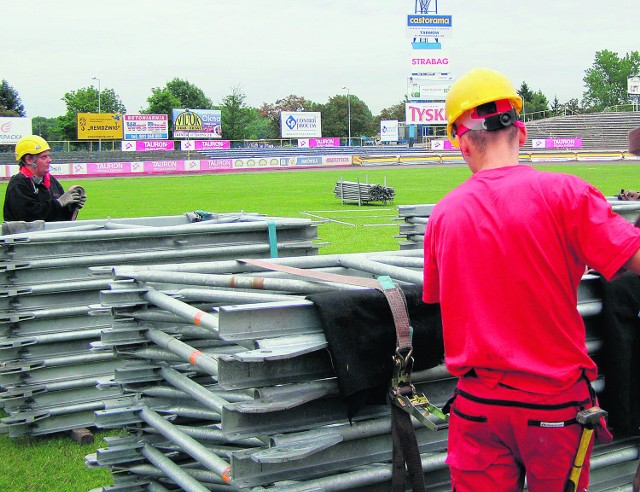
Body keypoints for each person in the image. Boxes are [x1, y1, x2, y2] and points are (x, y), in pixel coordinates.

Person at [421, 67, 640, 492]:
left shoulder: (443, 214)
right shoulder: (568, 194)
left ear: (462, 143)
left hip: (478, 410)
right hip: (554, 408)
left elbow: (438, 298)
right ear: (520, 133)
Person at [3, 135, 86, 223]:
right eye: (44, 157)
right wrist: (59, 203)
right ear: (29, 160)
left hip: (51, 235)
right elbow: (28, 217)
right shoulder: (18, 184)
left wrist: (71, 206)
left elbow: (60, 218)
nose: (49, 160)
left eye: (48, 156)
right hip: (29, 236)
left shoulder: (51, 180)